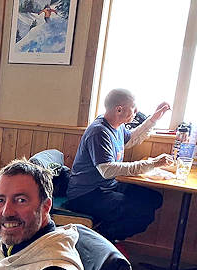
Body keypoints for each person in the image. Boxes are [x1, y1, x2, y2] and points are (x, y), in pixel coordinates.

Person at [65, 88, 173, 242]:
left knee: (154, 198)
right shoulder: (99, 132)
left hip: (107, 186)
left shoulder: (117, 126)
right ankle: (103, 240)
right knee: (141, 212)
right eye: (133, 107)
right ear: (119, 109)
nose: (136, 111)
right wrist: (153, 164)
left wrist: (154, 119)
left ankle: (107, 236)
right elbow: (108, 170)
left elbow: (131, 139)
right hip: (85, 194)